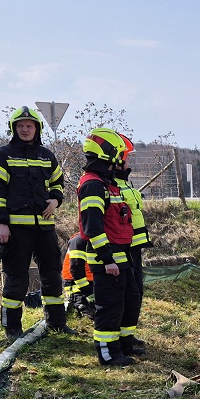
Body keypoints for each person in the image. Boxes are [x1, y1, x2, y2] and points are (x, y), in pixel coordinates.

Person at [0, 106, 69, 337]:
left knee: (52, 274)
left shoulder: (47, 155)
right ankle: (12, 328)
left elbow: (58, 182)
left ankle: (57, 323)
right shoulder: (3, 155)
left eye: (29, 126)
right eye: (20, 126)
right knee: (17, 277)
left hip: (44, 228)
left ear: (37, 128)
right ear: (14, 129)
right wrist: (1, 223)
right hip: (16, 229)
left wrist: (55, 200)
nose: (25, 129)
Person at [77, 127, 141, 366]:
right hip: (107, 257)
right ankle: (107, 353)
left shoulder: (106, 183)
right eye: (122, 155)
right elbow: (93, 227)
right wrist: (107, 259)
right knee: (110, 306)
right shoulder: (93, 185)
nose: (124, 160)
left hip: (121, 254)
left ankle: (123, 345)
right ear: (110, 154)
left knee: (129, 299)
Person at [114, 137, 148, 355]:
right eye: (125, 158)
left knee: (135, 293)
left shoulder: (124, 182)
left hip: (134, 246)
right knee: (126, 294)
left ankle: (127, 337)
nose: (129, 162)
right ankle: (120, 340)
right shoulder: (111, 184)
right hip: (122, 246)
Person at [61, 231, 95, 318]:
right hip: (76, 284)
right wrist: (89, 293)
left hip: (93, 282)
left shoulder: (99, 240)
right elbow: (76, 271)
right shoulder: (78, 241)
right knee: (92, 314)